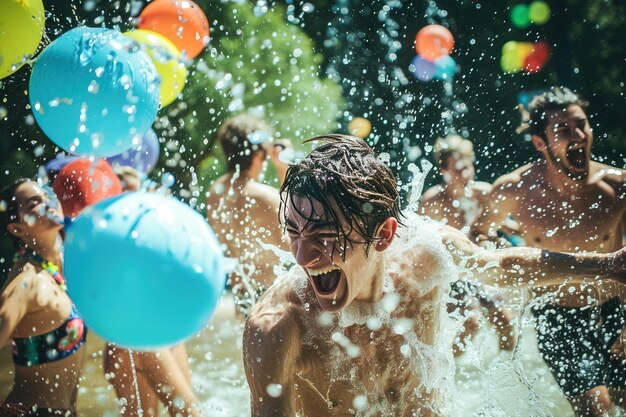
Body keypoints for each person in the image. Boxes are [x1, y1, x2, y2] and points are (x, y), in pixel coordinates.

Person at [242, 134, 626, 417]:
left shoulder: (423, 254)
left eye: (324, 236)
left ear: (384, 235)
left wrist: (608, 266)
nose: (301, 256)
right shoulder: (279, 327)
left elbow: (501, 266)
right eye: (294, 232)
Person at [470, 86, 626, 416]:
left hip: (615, 310)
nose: (579, 136)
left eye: (582, 125)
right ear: (541, 143)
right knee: (594, 412)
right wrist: (500, 256)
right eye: (564, 130)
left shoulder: (617, 187)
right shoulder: (514, 190)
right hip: (558, 316)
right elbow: (479, 235)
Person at [50, 158, 201, 417]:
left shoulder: (110, 241)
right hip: (139, 338)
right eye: (125, 194)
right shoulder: (102, 237)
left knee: (187, 411)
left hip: (148, 337)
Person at [420, 134, 515, 355]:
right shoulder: (432, 202)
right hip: (450, 272)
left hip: (479, 268)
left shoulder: (483, 193)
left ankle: (508, 370)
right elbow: (417, 242)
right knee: (471, 322)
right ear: (444, 171)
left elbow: (511, 228)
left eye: (468, 166)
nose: (465, 174)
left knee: (505, 319)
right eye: (458, 169)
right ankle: (448, 374)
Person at [0, 179, 86, 416]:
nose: (47, 202)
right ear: (17, 228)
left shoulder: (60, 267)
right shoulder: (27, 282)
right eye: (34, 202)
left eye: (47, 194)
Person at [205, 114, 291, 316]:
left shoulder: (215, 192)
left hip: (241, 289)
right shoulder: (264, 196)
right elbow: (293, 240)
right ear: (257, 155)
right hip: (270, 291)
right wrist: (283, 170)